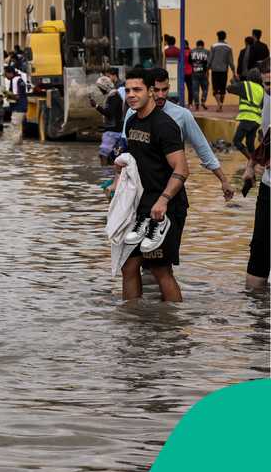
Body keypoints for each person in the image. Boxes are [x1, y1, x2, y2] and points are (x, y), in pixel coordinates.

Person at [118, 67, 189, 302]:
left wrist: (164, 199)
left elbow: (182, 168)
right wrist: (117, 183)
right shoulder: (131, 122)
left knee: (160, 270)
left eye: (137, 89)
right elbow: (136, 163)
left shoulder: (164, 125)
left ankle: (173, 327)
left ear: (150, 91)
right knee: (128, 266)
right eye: (128, 90)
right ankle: (133, 324)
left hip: (166, 207)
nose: (131, 94)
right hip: (142, 206)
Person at [123, 69, 236, 201]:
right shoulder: (132, 115)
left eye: (164, 90)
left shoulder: (181, 115)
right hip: (139, 192)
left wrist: (224, 180)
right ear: (149, 90)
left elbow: (202, 148)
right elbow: (126, 153)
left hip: (169, 192)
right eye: (156, 90)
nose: (160, 95)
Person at [241, 62, 270, 289]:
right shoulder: (268, 98)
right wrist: (251, 166)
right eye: (265, 83)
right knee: (259, 248)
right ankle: (255, 315)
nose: (268, 88)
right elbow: (266, 136)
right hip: (269, 185)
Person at [228, 66, 266, 159]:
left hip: (247, 118)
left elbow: (230, 89)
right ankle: (254, 165)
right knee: (250, 144)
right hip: (257, 121)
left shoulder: (245, 85)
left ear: (249, 77)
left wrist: (233, 81)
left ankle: (251, 162)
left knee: (237, 141)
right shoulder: (261, 89)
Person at [91, 74, 124, 165]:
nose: (100, 90)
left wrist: (96, 106)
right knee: (112, 156)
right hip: (115, 130)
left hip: (112, 131)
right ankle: (109, 175)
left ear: (105, 87)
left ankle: (104, 174)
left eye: (101, 88)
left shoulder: (114, 97)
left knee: (103, 154)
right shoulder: (114, 96)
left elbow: (109, 114)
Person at [208, 31, 235, 112]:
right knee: (222, 89)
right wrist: (234, 71)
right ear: (225, 37)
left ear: (218, 37)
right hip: (224, 70)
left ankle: (219, 103)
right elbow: (230, 61)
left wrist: (207, 69)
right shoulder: (228, 47)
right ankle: (220, 105)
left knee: (215, 89)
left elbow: (210, 59)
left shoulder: (213, 46)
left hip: (215, 70)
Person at [2, 66, 28, 144]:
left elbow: (17, 97)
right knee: (18, 129)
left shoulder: (14, 80)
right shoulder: (19, 79)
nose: (5, 75)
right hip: (22, 107)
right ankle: (19, 149)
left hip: (18, 108)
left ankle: (16, 149)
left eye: (5, 73)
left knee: (15, 128)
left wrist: (6, 93)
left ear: (10, 73)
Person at [189, 39, 211, 110]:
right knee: (205, 88)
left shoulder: (192, 51)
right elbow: (209, 63)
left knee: (195, 89)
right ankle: (203, 100)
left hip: (194, 72)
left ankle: (197, 104)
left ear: (197, 45)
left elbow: (190, 61)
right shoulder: (207, 52)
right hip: (203, 73)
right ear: (203, 45)